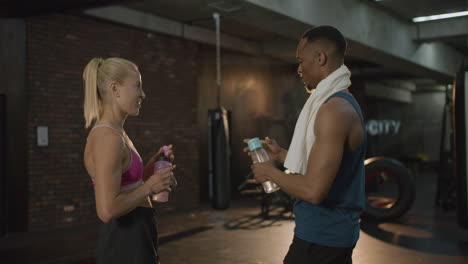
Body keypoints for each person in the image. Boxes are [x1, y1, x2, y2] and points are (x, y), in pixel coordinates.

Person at [244, 26, 366, 264]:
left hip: (322, 239)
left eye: (301, 61)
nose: (299, 69)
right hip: (330, 236)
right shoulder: (341, 103)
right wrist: (280, 155)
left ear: (320, 58)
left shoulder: (334, 110)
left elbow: (314, 191)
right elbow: (323, 165)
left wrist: (270, 173)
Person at [83, 57, 175, 264]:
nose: (143, 94)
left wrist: (150, 171)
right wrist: (149, 188)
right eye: (137, 86)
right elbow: (107, 210)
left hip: (136, 234)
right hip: (124, 241)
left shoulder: (118, 133)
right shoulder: (109, 138)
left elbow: (123, 186)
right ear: (115, 89)